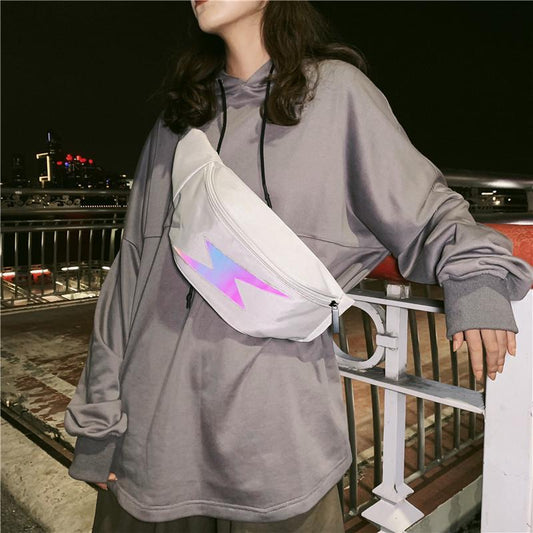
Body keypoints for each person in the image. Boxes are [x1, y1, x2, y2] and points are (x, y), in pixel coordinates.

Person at [64, 1, 533, 532]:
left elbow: (427, 214)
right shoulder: (178, 123)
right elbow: (130, 277)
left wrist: (477, 281)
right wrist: (97, 426)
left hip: (277, 445)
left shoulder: (336, 96)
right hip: (152, 444)